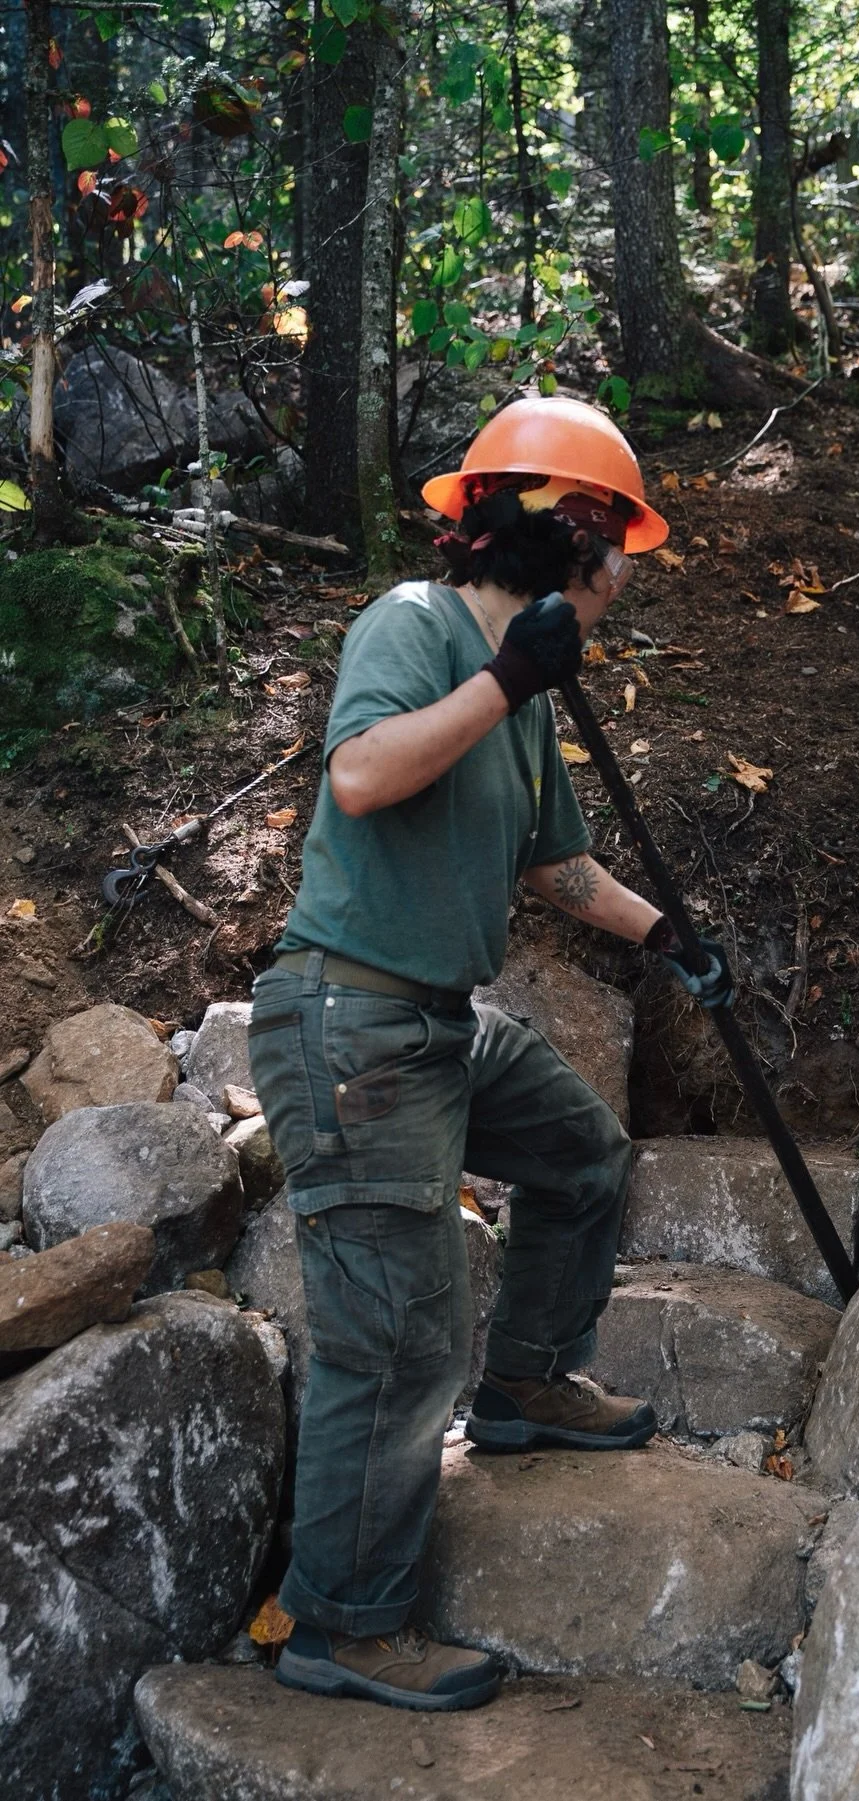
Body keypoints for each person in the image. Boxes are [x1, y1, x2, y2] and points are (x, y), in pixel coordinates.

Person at [246, 396, 734, 1714]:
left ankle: (524, 1380)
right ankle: (343, 1623)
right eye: (616, 541)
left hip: (439, 1022)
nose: (626, 572)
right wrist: (506, 679)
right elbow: (359, 777)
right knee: (400, 1337)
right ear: (563, 534)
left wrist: (667, 934)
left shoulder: (524, 689)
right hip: (351, 1021)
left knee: (583, 1152)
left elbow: (558, 863)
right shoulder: (413, 628)